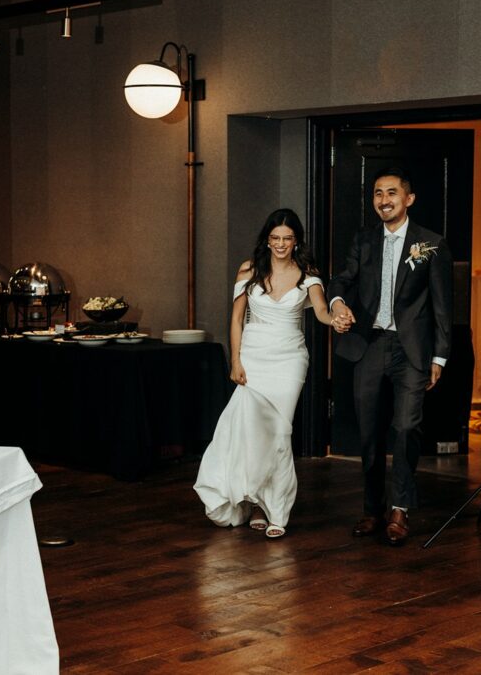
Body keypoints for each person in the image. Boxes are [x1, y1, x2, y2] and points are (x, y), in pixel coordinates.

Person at [327, 166, 453, 546]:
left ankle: (400, 509)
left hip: (412, 350)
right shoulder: (364, 241)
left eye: (392, 193)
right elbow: (341, 280)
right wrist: (336, 304)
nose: (384, 200)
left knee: (404, 428)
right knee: (368, 432)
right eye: (378, 193)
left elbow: (443, 306)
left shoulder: (431, 244)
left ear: (408, 199)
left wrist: (440, 357)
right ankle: (371, 509)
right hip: (369, 345)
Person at [194, 209, 335, 539]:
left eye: (287, 238)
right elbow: (236, 319)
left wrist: (337, 318)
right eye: (275, 238)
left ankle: (278, 510)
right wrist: (235, 361)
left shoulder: (307, 273)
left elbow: (322, 312)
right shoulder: (249, 269)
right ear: (267, 240)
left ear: (296, 240)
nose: (281, 244)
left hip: (289, 360)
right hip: (253, 358)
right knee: (254, 433)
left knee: (279, 433)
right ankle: (256, 504)